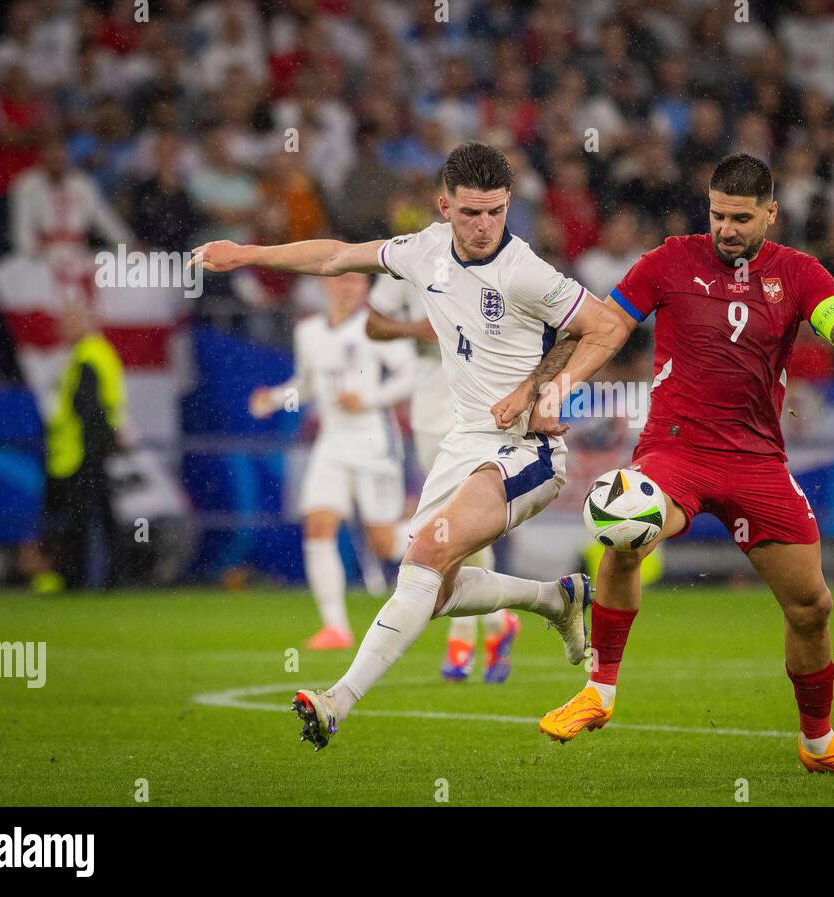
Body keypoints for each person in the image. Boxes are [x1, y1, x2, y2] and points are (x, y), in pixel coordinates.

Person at [191, 141, 628, 750]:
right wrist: (246, 254)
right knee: (434, 588)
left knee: (425, 556)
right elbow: (336, 257)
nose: (484, 227)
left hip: (526, 449)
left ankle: (337, 700)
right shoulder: (424, 250)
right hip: (464, 442)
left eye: (496, 212)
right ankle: (555, 598)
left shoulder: (526, 270)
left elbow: (605, 326)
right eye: (471, 213)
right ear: (444, 205)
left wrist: (544, 390)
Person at [523, 154, 834, 775]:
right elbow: (608, 327)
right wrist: (556, 385)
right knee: (625, 524)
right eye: (718, 214)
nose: (726, 228)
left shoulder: (800, 275)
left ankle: (819, 743)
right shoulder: (669, 260)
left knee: (813, 606)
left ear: (771, 214)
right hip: (676, 449)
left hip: (757, 462)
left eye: (741, 218)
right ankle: (599, 691)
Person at [250, 271, 417, 651]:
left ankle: (450, 542)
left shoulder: (376, 328)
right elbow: (306, 383)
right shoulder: (309, 332)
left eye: (357, 282)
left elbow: (409, 376)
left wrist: (370, 398)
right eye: (342, 281)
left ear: (365, 289)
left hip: (374, 443)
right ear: (327, 285)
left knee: (384, 543)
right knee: (318, 524)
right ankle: (336, 628)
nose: (348, 288)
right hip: (332, 444)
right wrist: (274, 399)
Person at [367, 271, 519, 683]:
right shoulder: (412, 260)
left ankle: (463, 632)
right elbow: (374, 322)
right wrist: (418, 327)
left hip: (482, 409)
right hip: (431, 411)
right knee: (451, 524)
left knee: (461, 519)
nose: (476, 221)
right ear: (445, 204)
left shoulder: (501, 261)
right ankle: (498, 621)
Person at [35, 302, 126, 592]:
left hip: (82, 453)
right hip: (85, 450)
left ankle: (75, 579)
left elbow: (88, 409)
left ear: (86, 323)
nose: (61, 327)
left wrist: (94, 448)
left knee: (79, 520)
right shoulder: (91, 355)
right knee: (100, 517)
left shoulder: (88, 356)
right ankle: (112, 578)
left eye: (69, 321)